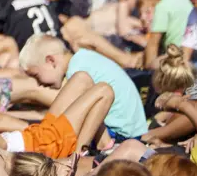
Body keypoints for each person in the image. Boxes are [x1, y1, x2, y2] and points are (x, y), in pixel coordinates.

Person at [19, 33, 149, 141]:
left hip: (122, 133)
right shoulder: (83, 58)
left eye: (36, 75)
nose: (39, 83)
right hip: (132, 129)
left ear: (51, 61)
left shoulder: (78, 72)